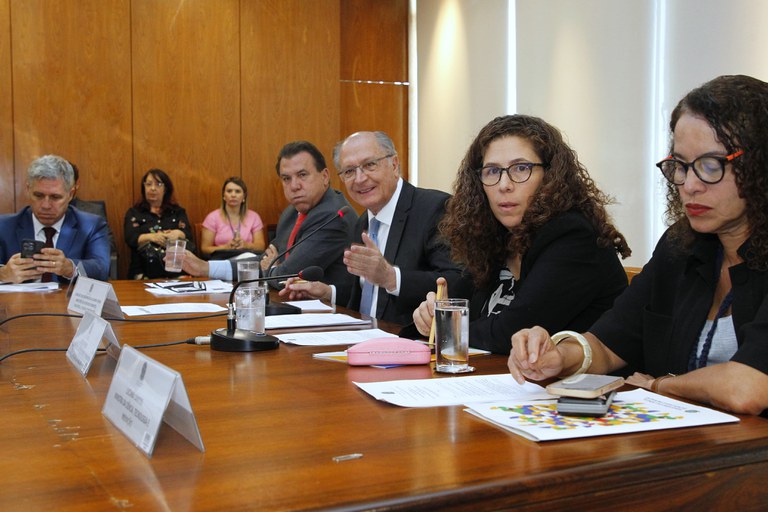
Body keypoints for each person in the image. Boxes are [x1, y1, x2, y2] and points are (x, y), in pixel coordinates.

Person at [509, 75, 768, 416]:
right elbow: (608, 344)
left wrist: (662, 385)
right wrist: (559, 354)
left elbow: (748, 388)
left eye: (710, 166)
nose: (689, 185)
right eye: (680, 166)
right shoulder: (681, 246)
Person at [411, 115, 631, 354]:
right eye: (492, 171)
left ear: (550, 175)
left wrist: (444, 327)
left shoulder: (574, 236)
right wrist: (428, 315)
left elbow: (512, 333)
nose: (504, 184)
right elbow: (457, 310)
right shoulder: (498, 236)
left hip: (572, 387)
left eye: (521, 168)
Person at [282, 131, 462, 326]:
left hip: (410, 343)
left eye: (369, 165)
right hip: (362, 339)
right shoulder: (363, 223)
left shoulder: (435, 208)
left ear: (394, 164)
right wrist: (327, 292)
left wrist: (391, 277)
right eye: (349, 171)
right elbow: (371, 297)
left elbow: (459, 283)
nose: (359, 179)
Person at [0, 155, 110, 283]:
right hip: (20, 302)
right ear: (28, 189)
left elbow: (102, 269)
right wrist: (3, 274)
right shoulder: (4, 226)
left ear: (71, 194)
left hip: (66, 302)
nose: (46, 206)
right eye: (38, 195)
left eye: (55, 197)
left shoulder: (91, 225)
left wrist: (70, 268)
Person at [124, 168, 195, 279]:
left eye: (158, 184)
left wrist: (178, 233)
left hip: (176, 268)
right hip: (144, 269)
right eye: (149, 184)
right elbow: (130, 238)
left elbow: (188, 234)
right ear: (144, 187)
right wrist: (152, 237)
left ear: (165, 188)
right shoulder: (134, 213)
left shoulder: (177, 212)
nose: (153, 188)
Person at [200, 177, 266, 258]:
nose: (233, 195)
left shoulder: (254, 217)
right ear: (223, 196)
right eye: (229, 191)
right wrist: (225, 247)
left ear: (244, 197)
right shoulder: (212, 217)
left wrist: (246, 245)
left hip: (247, 260)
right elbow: (205, 249)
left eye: (237, 191)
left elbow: (261, 247)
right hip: (222, 260)